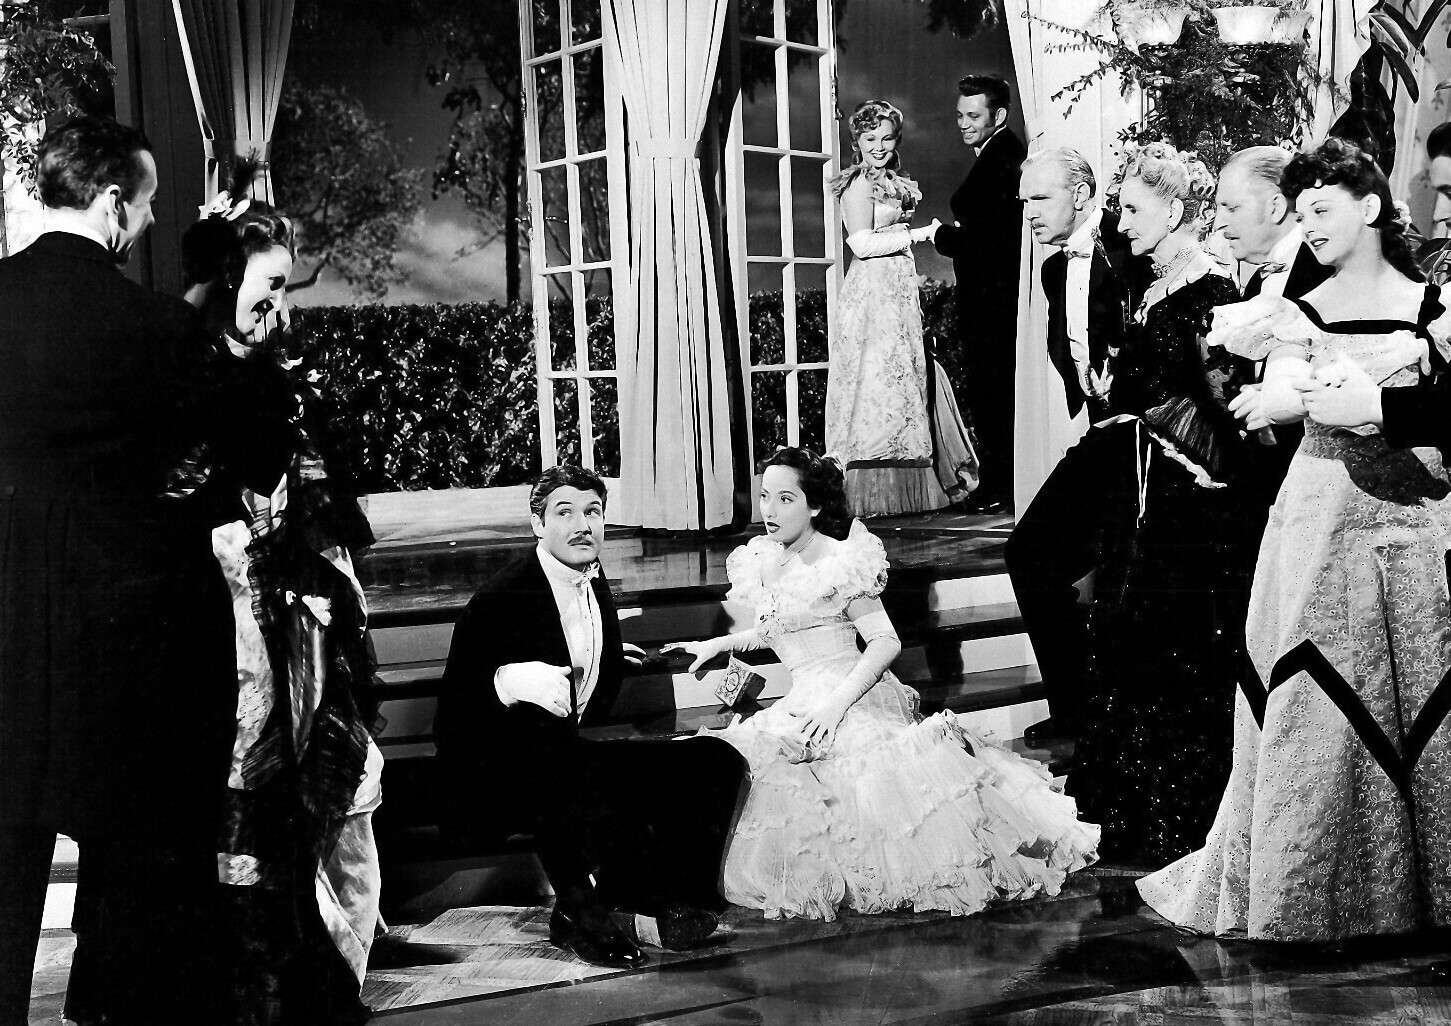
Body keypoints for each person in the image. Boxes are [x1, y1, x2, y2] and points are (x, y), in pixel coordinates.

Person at [0, 116, 289, 1026]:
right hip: (131, 623)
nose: (154, 217)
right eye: (150, 200)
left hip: (8, 608)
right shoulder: (154, 326)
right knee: (143, 845)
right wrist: (229, 320)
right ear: (113, 202)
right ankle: (115, 1003)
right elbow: (255, 457)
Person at [1139, 138, 1451, 941]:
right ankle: (1308, 890)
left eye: (1320, 208)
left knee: (1420, 684)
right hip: (1318, 516)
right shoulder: (1293, 308)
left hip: (1414, 518)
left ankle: (1428, 889)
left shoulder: (1432, 307)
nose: (1306, 224)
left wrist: (1373, 403)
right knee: (1317, 686)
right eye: (1300, 210)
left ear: (1369, 207)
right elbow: (1273, 382)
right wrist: (1286, 396)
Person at [665, 447, 1098, 921]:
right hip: (803, 696)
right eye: (765, 496)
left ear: (814, 505)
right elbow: (780, 627)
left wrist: (835, 707)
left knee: (868, 804)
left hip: (852, 694)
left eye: (786, 499)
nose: (769, 510)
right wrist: (717, 644)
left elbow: (885, 641)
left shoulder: (838, 561)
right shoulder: (765, 560)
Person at [1008, 143, 1256, 866]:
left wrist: (1155, 427)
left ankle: (1169, 810)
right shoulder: (1152, 285)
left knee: (1157, 640)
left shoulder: (1206, 292)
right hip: (1135, 477)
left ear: (1173, 213)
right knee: (1113, 620)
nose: (1120, 222)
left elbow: (1221, 411)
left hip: (1176, 496)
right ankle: (1111, 777)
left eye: (1132, 209)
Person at [180, 171, 383, 1025]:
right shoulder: (181, 375)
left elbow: (320, 513)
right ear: (227, 278)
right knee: (234, 804)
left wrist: (320, 588)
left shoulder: (287, 383)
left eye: (285, 289)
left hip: (290, 626)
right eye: (267, 286)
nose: (277, 308)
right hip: (212, 627)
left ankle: (307, 961)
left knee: (304, 795)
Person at [434, 467, 747, 968]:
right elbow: (452, 722)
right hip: (495, 773)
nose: (582, 525)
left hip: (565, 752)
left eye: (593, 512)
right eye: (565, 513)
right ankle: (580, 912)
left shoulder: (590, 577)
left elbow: (573, 644)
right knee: (553, 764)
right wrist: (506, 682)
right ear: (538, 525)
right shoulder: (501, 598)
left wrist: (603, 655)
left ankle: (670, 901)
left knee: (716, 758)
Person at [1007, 146, 1149, 748]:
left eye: (1041, 198)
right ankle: (1077, 707)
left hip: (1152, 439)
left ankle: (1107, 716)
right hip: (1104, 430)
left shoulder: (1133, 245)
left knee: (1119, 576)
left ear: (1083, 195)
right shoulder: (1052, 270)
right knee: (1031, 555)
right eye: (1025, 201)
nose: (1030, 213)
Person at [825, 99, 977, 515]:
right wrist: (921, 234)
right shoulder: (858, 184)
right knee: (877, 381)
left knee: (903, 380)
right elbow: (861, 243)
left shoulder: (893, 181)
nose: (878, 146)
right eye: (869, 138)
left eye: (886, 138)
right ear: (857, 141)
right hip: (873, 294)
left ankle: (912, 477)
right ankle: (870, 484)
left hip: (897, 290)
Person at [1215, 145, 1334, 515]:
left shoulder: (1324, 270)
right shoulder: (1259, 283)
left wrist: (1280, 401)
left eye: (1231, 208)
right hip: (1263, 482)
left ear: (1276, 207)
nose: (1219, 223)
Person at [933, 75, 1026, 514]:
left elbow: (993, 242)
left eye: (973, 115)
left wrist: (943, 237)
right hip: (990, 299)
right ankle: (1000, 484)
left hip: (994, 303)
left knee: (994, 393)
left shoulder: (1003, 158)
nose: (963, 124)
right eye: (959, 115)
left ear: (998, 115)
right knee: (992, 392)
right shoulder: (997, 154)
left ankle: (1000, 487)